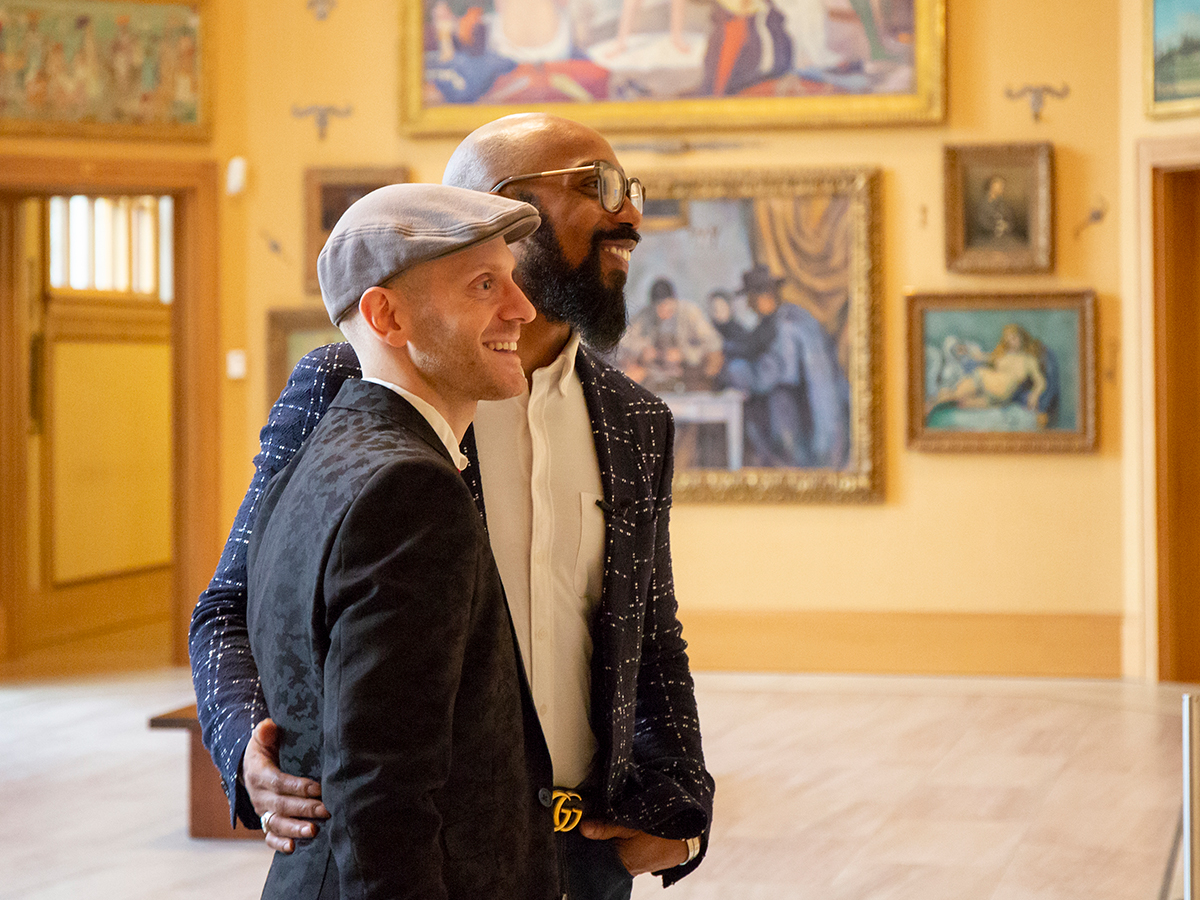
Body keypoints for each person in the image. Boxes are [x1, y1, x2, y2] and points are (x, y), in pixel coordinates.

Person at [189, 112, 713, 900]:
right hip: (431, 855)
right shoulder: (352, 387)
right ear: (498, 206)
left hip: (584, 859)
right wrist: (245, 750)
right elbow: (233, 599)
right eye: (596, 187)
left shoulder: (637, 420)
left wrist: (682, 803)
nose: (629, 212)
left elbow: (649, 623)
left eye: (630, 188)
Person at [247, 184, 555, 898]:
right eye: (485, 285)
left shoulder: (317, 459)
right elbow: (381, 794)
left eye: (512, 279)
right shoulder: (410, 491)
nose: (522, 308)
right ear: (387, 315)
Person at [926, 323, 1050, 425]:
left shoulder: (1028, 360)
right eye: (1008, 339)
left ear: (1022, 337)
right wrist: (968, 351)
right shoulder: (1002, 355)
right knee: (955, 395)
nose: (1011, 342)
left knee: (962, 402)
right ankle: (930, 405)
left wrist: (1034, 394)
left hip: (999, 398)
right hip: (984, 379)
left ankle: (933, 403)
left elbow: (1040, 381)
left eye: (1014, 338)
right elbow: (983, 357)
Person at [618, 276, 723, 393]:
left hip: (690, 369)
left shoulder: (690, 312)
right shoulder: (645, 315)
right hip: (657, 368)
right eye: (659, 307)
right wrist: (642, 350)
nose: (663, 310)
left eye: (667, 305)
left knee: (713, 359)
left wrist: (684, 353)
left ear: (674, 301)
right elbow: (624, 341)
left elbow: (714, 343)